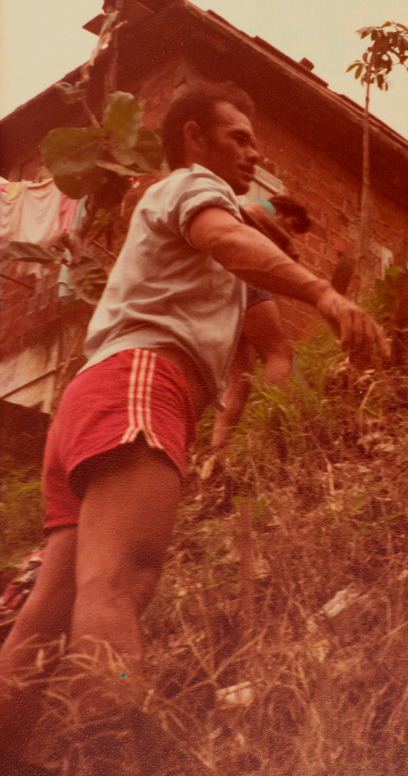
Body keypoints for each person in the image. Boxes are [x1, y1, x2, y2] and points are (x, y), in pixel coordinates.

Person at [0, 78, 388, 771]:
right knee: (119, 583)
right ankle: (107, 748)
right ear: (194, 138)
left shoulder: (199, 217)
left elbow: (253, 290)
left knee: (47, 611)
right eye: (239, 137)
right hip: (141, 384)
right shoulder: (188, 187)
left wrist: (272, 235)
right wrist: (325, 291)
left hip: (95, 399)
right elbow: (223, 234)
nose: (253, 151)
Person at [212, 194, 311, 448]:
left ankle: (217, 449)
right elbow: (254, 211)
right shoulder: (263, 205)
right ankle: (277, 432)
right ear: (280, 212)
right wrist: (288, 242)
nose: (288, 231)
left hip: (222, 289)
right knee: (279, 353)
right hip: (241, 279)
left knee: (241, 378)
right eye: (289, 225)